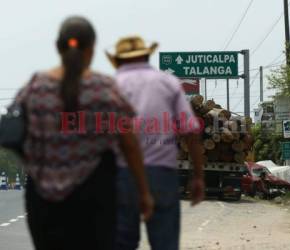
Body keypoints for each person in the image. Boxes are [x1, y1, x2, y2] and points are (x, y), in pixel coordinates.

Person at [13, 17, 153, 250]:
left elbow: (16, 135)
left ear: (58, 47)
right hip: (95, 200)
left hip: (43, 201)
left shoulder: (35, 87)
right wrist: (143, 192)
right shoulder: (104, 89)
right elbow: (129, 143)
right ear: (91, 49)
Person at [106, 36, 205, 250]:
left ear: (117, 61)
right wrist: (198, 177)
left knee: (121, 244)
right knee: (165, 244)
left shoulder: (110, 87)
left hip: (122, 177)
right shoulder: (167, 83)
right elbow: (191, 132)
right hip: (163, 176)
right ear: (146, 55)